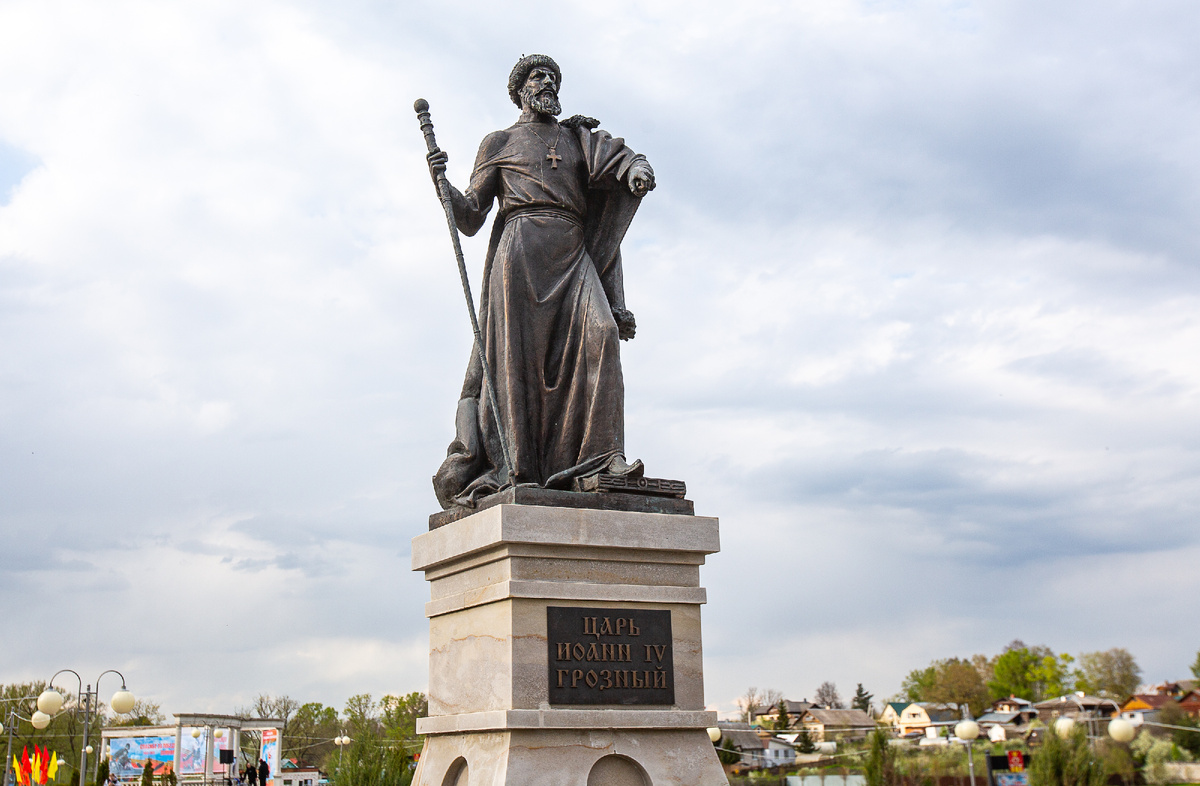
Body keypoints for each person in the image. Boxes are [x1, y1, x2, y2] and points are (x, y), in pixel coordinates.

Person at [428, 54, 656, 509]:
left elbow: (618, 162)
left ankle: (603, 459)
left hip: (572, 247)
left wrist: (635, 169)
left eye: (552, 75)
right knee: (519, 361)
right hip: (520, 252)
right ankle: (520, 464)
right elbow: (472, 216)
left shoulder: (577, 138)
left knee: (603, 335)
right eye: (537, 75)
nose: (547, 80)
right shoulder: (499, 142)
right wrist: (443, 186)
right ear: (520, 90)